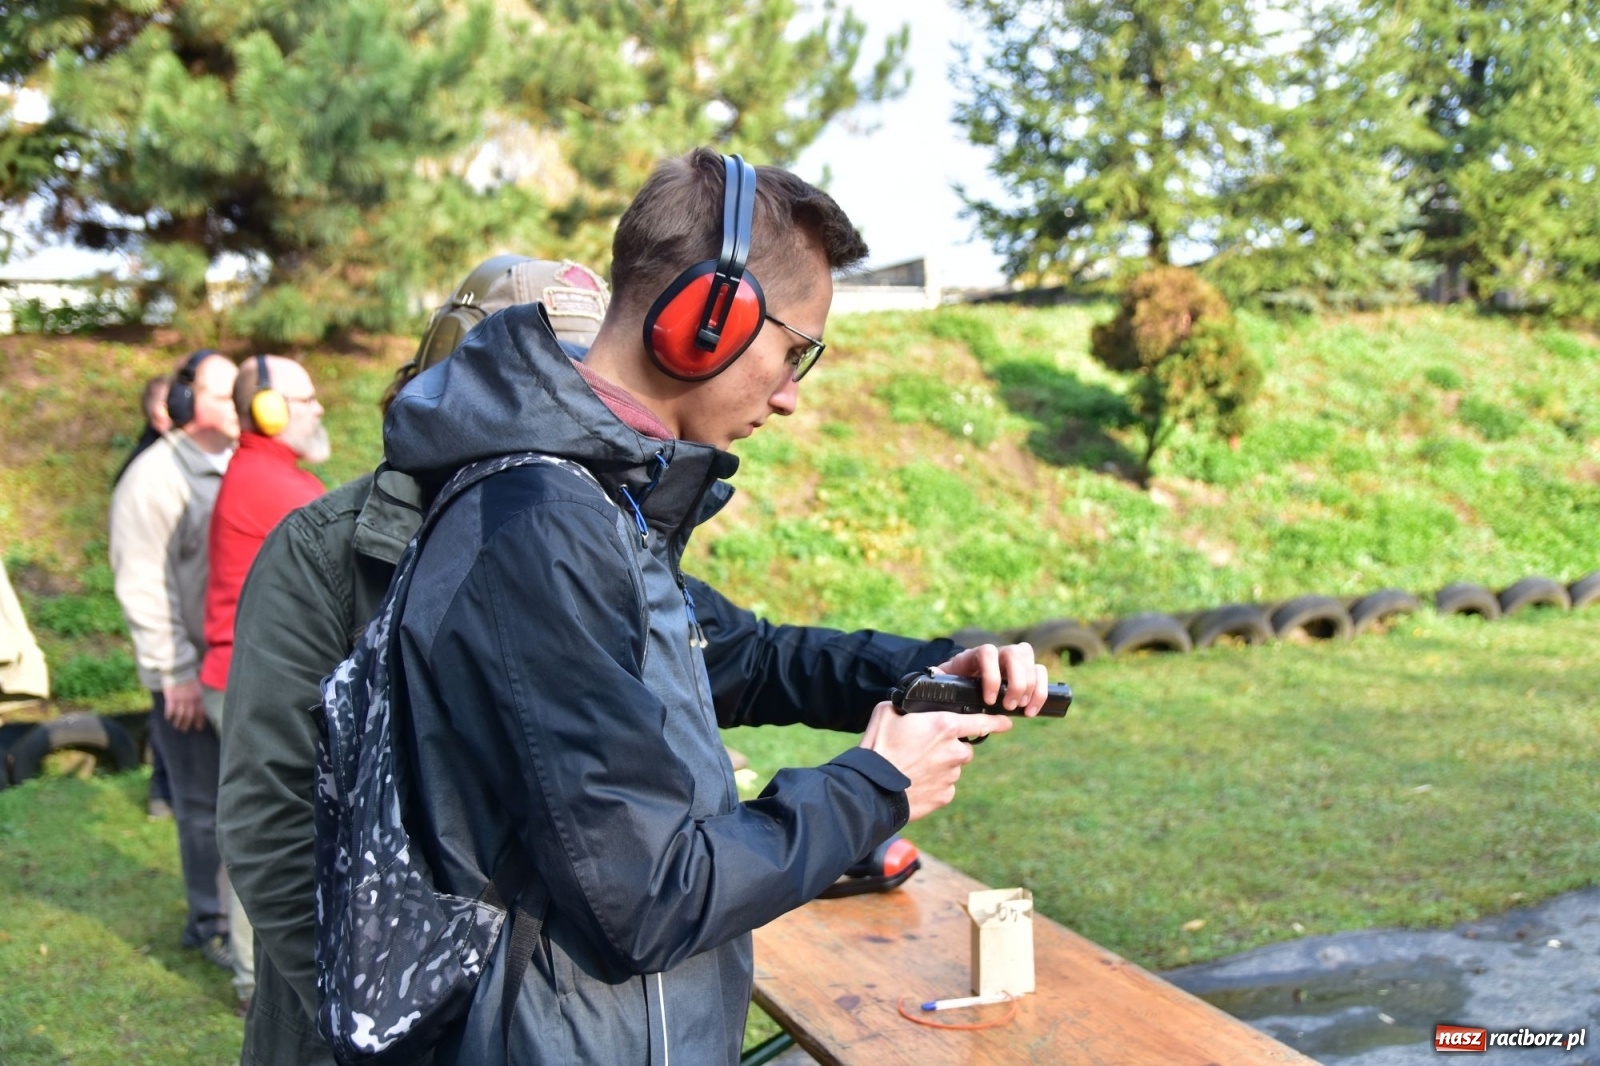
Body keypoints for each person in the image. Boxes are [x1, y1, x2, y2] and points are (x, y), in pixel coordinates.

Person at [379, 148, 1050, 1064]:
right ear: (707, 320)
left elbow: (746, 655)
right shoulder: (541, 526)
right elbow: (648, 896)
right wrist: (874, 785)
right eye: (794, 349)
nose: (789, 395)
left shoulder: (589, 503)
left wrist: (927, 673)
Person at [218, 257, 613, 1066]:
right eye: (530, 374)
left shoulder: (597, 537)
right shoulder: (322, 554)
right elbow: (271, 819)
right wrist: (398, 1028)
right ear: (444, 372)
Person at [202, 355, 330, 1012]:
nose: (320, 409)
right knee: (274, 824)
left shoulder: (265, 474)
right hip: (248, 678)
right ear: (270, 410)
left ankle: (246, 961)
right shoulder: (280, 488)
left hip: (234, 672)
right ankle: (255, 979)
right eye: (305, 399)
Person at [108, 349, 239, 970]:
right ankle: (208, 923)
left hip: (234, 668)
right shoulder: (152, 479)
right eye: (223, 392)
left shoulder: (239, 463)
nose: (239, 400)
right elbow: (141, 584)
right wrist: (174, 674)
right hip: (186, 676)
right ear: (188, 404)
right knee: (200, 806)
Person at [114, 373, 178, 818]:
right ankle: (164, 792)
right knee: (167, 706)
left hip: (182, 613)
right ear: (160, 414)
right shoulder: (146, 472)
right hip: (165, 612)